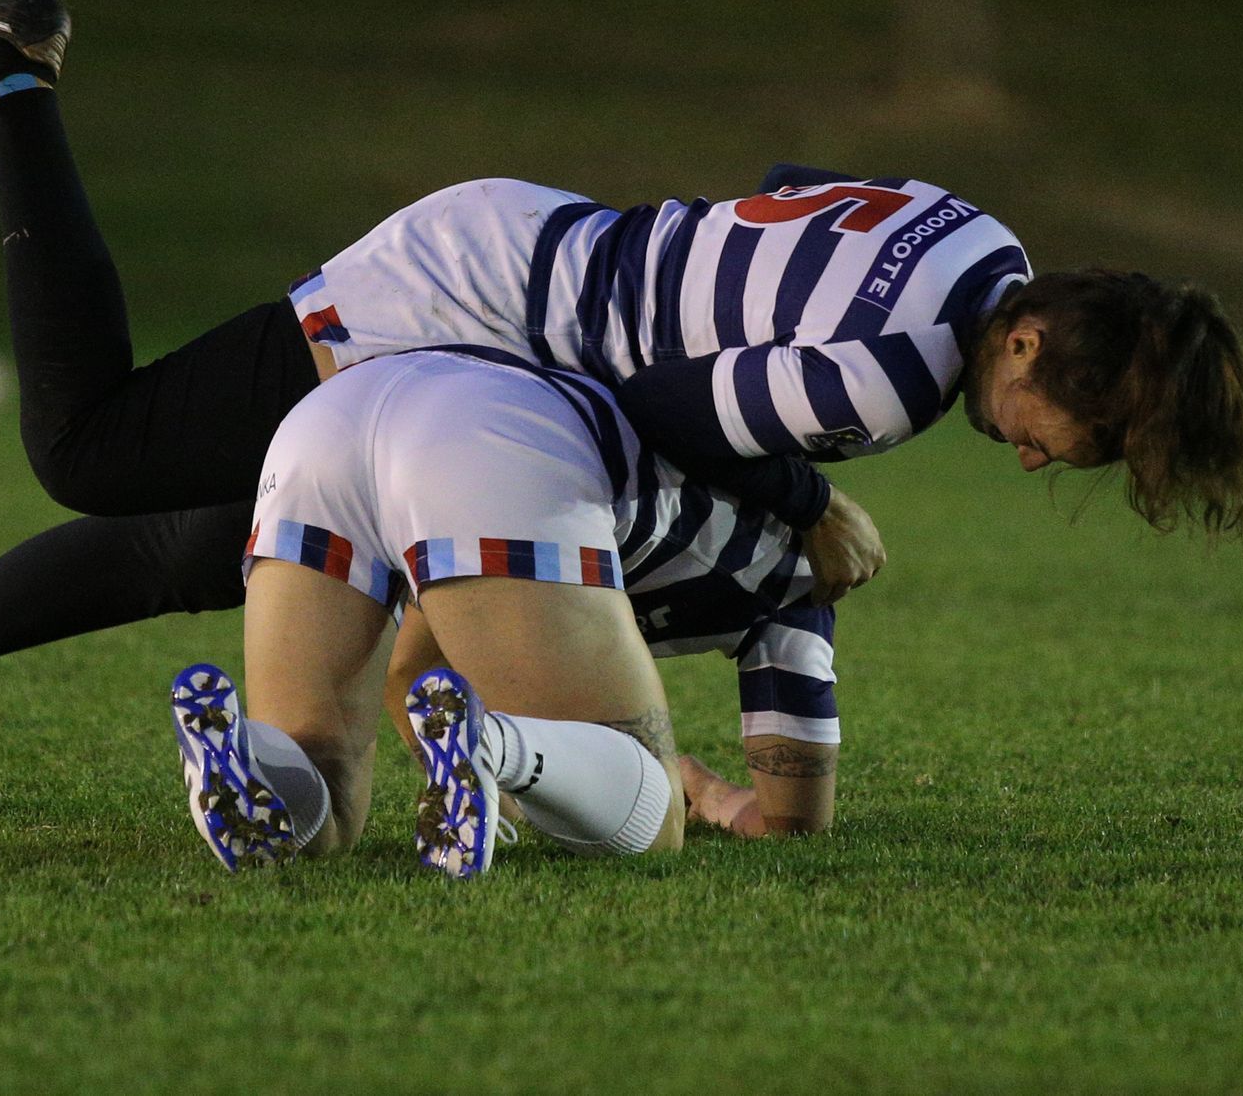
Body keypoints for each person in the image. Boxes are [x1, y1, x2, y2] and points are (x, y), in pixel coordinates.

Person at [0, 0, 1243, 814]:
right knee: (92, 447)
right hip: (470, 304)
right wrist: (809, 503)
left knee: (236, 542)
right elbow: (660, 403)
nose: (1034, 463)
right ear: (1025, 354)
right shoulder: (891, 379)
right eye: (1061, 441)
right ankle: (7, 80)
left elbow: (772, 195)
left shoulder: (978, 238)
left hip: (539, 256)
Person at [169, 344, 848, 877]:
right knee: (655, 818)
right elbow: (793, 823)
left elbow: (416, 680)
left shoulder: (703, 423)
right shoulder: (799, 580)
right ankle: (497, 747)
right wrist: (710, 794)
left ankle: (250, 757)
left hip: (329, 418)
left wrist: (447, 762)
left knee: (325, 780)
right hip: (489, 440)